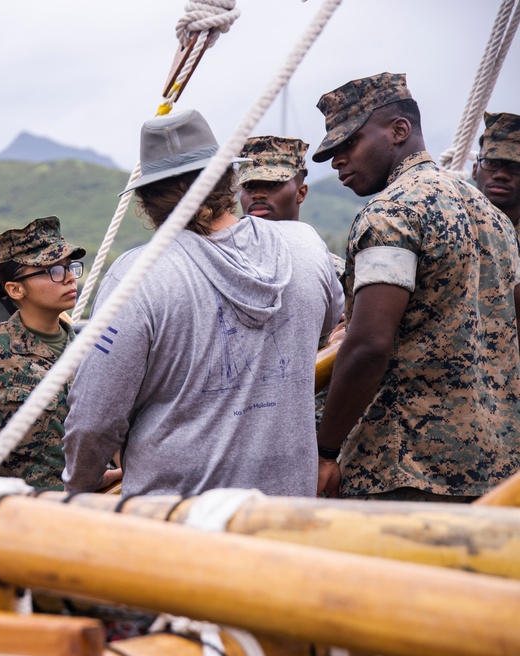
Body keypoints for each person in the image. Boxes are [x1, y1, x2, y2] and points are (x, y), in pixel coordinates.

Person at [62, 108, 344, 498]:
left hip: (178, 523)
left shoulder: (136, 276)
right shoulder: (306, 246)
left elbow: (94, 419)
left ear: (146, 198)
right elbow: (330, 326)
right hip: (287, 516)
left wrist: (80, 486)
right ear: (230, 178)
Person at [313, 72, 520, 502]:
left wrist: (325, 451)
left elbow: (369, 344)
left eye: (348, 144)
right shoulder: (494, 217)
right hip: (496, 474)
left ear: (399, 130)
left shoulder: (391, 214)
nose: (337, 162)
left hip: (406, 470)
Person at [0, 217, 85, 490]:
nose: (69, 277)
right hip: (16, 513)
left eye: (70, 268)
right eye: (54, 270)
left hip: (90, 504)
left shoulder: (89, 351)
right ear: (15, 289)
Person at [239, 134, 346, 278]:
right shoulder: (228, 263)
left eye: (273, 184)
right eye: (248, 185)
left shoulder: (331, 271)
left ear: (301, 193)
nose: (257, 195)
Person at [472, 111, 520, 228]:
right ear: (475, 170)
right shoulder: (447, 225)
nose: (501, 175)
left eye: (516, 166)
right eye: (491, 163)